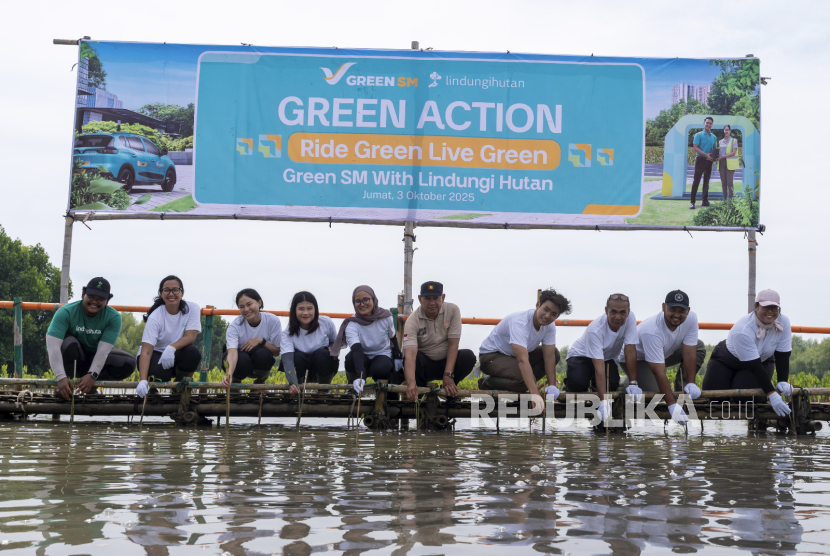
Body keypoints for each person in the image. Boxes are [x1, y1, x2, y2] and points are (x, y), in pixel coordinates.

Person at [701, 289, 792, 417]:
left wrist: (782, 381)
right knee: (716, 399)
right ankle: (762, 385)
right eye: (766, 307)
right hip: (727, 360)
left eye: (774, 308)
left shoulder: (784, 322)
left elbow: (782, 355)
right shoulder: (743, 329)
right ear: (756, 306)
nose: (770, 311)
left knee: (747, 399)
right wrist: (772, 393)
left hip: (762, 361)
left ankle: (762, 387)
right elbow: (753, 365)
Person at [478, 288, 569, 412]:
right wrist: (535, 395)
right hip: (492, 356)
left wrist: (552, 386)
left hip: (513, 358)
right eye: (546, 309)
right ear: (538, 305)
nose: (547, 316)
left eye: (553, 314)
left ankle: (524, 383)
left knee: (555, 353)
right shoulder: (520, 322)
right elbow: (522, 361)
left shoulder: (550, 326)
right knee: (523, 382)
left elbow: (549, 357)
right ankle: (487, 383)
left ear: (557, 316)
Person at [623, 290, 707, 424]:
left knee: (699, 346)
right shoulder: (652, 331)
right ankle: (627, 382)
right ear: (663, 307)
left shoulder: (691, 318)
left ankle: (684, 390)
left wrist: (691, 382)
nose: (677, 315)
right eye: (672, 309)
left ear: (688, 311)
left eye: (681, 311)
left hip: (663, 353)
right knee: (655, 394)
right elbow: (659, 372)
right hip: (637, 359)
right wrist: (672, 405)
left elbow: (689, 352)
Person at [45, 277, 136, 399]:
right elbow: (53, 347)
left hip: (94, 358)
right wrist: (60, 377)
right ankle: (65, 385)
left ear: (107, 301)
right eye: (91, 296)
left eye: (101, 299)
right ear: (83, 294)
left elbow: (103, 351)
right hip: (72, 357)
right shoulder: (66, 312)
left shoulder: (113, 317)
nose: (94, 301)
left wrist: (92, 375)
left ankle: (89, 386)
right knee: (70, 343)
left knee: (128, 363)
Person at [564, 293, 641, 422]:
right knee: (578, 384)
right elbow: (599, 368)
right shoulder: (595, 329)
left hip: (607, 358)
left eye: (622, 312)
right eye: (613, 312)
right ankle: (570, 384)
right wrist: (603, 401)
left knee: (611, 384)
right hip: (581, 356)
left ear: (628, 312)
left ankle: (600, 385)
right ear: (606, 310)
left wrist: (633, 383)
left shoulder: (630, 319)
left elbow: (630, 351)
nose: (618, 317)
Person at [402, 281, 477, 402]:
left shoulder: (453, 310)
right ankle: (420, 393)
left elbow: (453, 344)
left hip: (446, 363)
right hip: (424, 366)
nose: (432, 303)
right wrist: (411, 383)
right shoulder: (412, 320)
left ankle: (449, 388)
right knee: (413, 358)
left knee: (468, 356)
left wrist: (448, 374)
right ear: (420, 299)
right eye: (427, 298)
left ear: (443, 297)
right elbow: (410, 354)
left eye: (436, 298)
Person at [135, 276, 202, 398]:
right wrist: (142, 380)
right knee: (159, 374)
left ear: (182, 292)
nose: (171, 294)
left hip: (177, 352)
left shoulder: (192, 308)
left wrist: (171, 348)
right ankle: (152, 390)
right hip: (155, 354)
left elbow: (190, 337)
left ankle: (180, 387)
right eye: (166, 290)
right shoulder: (155, 316)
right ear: (161, 293)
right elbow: (146, 352)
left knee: (193, 353)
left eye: (175, 290)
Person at [330, 285, 402, 394]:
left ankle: (382, 394)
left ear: (374, 299)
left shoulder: (386, 317)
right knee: (350, 359)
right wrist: (360, 377)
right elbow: (357, 350)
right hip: (362, 355)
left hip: (382, 353)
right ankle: (353, 388)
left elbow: (392, 337)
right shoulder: (352, 324)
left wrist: (398, 356)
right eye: (358, 301)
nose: (362, 304)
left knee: (380, 368)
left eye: (366, 299)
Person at [278, 291, 339, 395]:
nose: (305, 313)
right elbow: (287, 361)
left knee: (322, 354)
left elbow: (334, 342)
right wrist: (292, 383)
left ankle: (324, 390)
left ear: (315, 309)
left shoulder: (326, 322)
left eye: (309, 308)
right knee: (297, 356)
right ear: (294, 310)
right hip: (300, 371)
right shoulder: (288, 333)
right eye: (301, 309)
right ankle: (298, 390)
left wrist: (332, 347)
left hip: (322, 370)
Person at [220, 288, 281, 388]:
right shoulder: (235, 326)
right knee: (243, 359)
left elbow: (276, 352)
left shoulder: (272, 321)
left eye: (249, 304)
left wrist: (261, 340)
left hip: (258, 363)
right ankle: (234, 382)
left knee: (264, 354)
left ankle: (259, 384)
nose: (246, 309)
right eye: (241, 307)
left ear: (259, 303)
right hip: (240, 362)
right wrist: (228, 375)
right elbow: (232, 354)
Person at [690, 116, 718, 209]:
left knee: (706, 182)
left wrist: (714, 157)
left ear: (712, 125)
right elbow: (695, 148)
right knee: (696, 181)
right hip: (700, 160)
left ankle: (705, 201)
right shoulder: (698, 135)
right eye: (707, 123)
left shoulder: (714, 137)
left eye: (710, 123)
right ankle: (692, 202)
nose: (708, 125)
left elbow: (714, 149)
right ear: (704, 123)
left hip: (709, 162)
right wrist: (706, 155)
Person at [717, 124, 739, 200]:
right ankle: (724, 198)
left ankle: (731, 199)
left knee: (729, 182)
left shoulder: (734, 140)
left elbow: (733, 153)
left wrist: (723, 156)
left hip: (730, 163)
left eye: (727, 130)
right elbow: (719, 152)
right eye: (725, 130)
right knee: (723, 182)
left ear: (730, 131)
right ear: (724, 131)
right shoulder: (720, 142)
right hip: (721, 163)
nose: (726, 131)